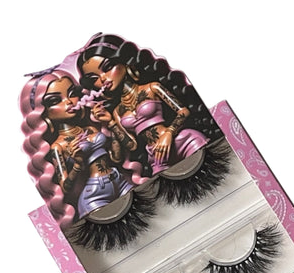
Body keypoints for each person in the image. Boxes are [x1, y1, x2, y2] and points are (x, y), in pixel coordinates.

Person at [76, 34, 210, 177]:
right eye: (94, 78)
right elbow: (132, 145)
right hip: (156, 156)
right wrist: (110, 122)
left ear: (123, 61)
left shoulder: (152, 88)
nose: (103, 78)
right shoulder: (117, 111)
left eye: (107, 67)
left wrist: (169, 133)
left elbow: (183, 111)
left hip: (183, 141)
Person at [20, 70, 136, 224]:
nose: (69, 102)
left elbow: (116, 158)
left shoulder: (91, 128)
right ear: (44, 112)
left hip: (118, 180)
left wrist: (109, 123)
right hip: (94, 193)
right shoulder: (58, 146)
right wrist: (77, 164)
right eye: (55, 100)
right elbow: (65, 187)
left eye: (72, 94)